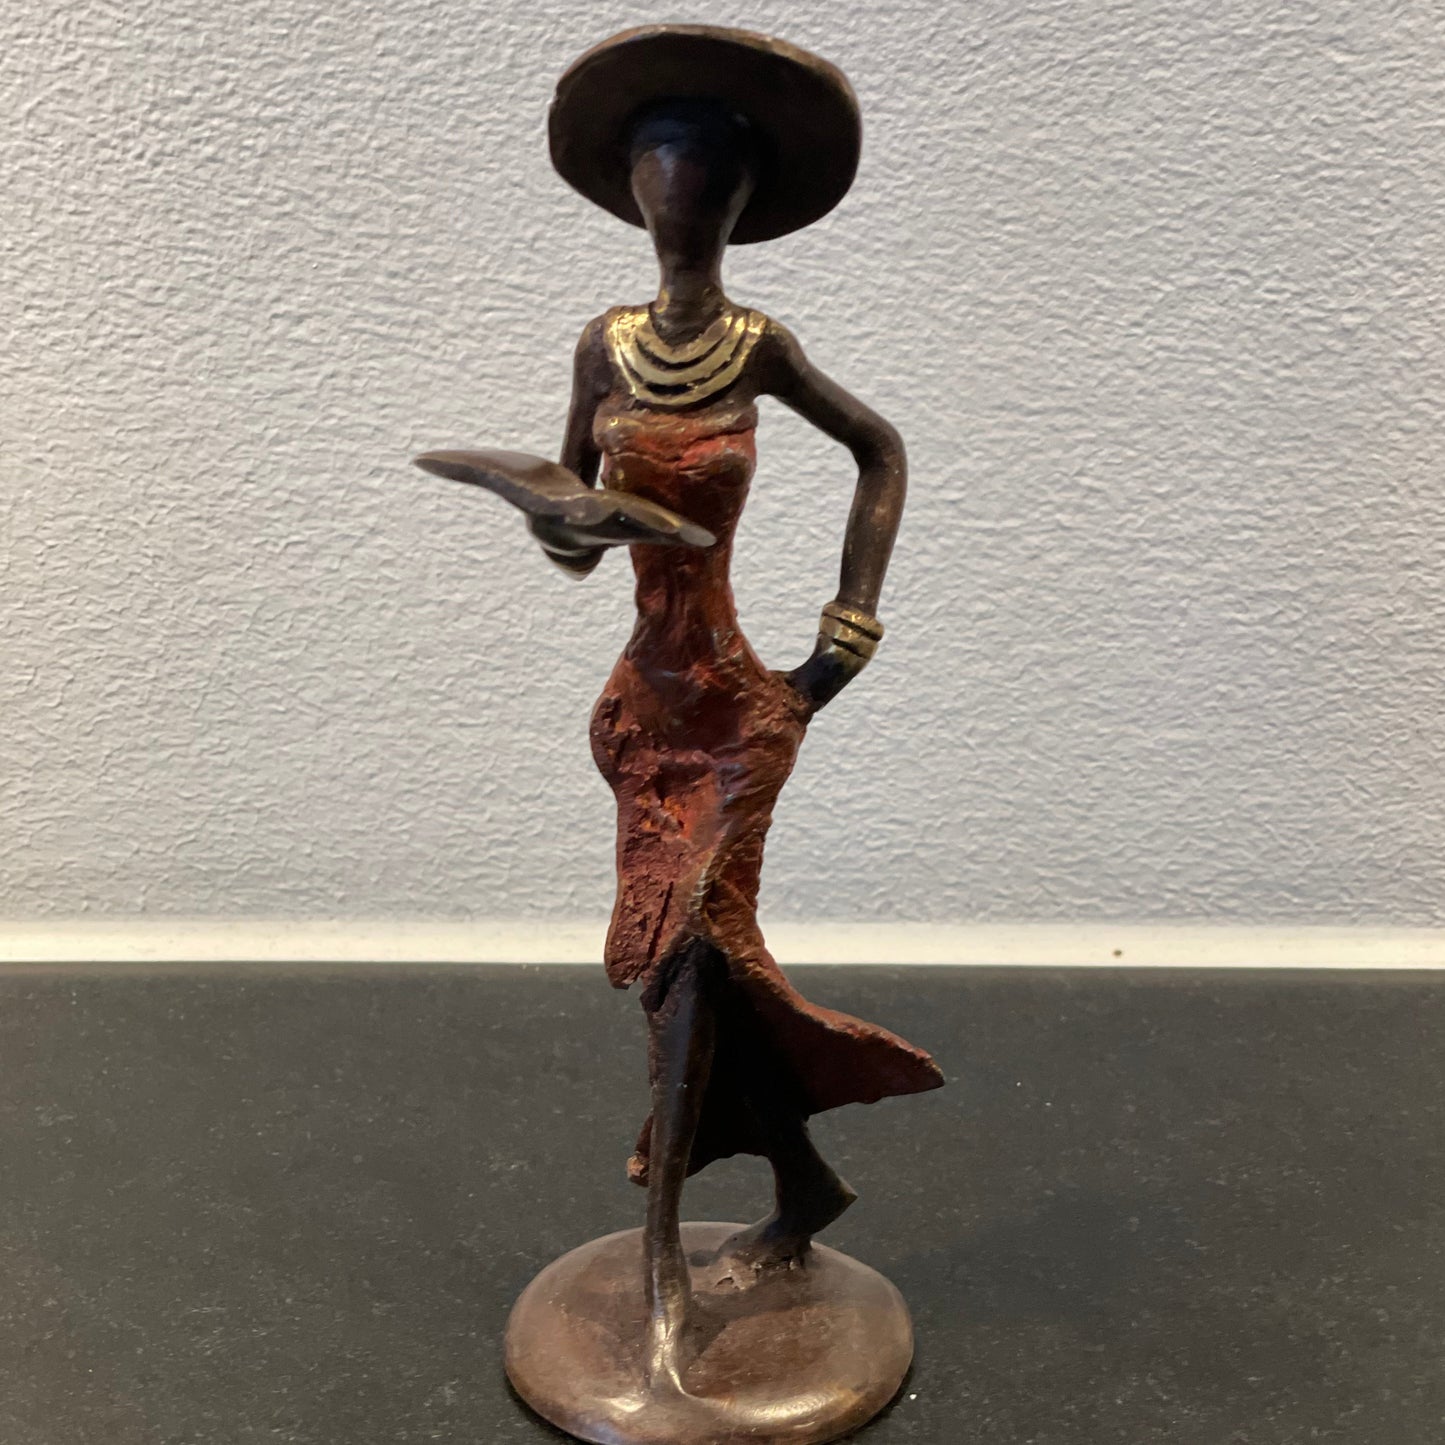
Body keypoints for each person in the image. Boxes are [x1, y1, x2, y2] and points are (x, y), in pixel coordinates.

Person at [531, 26, 945, 1395]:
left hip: (736, 710)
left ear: (737, 205)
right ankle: (801, 1183)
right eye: (661, 179)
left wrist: (844, 638)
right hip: (638, 709)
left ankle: (662, 1252)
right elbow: (569, 526)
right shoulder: (602, 344)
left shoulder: (762, 348)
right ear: (634, 196)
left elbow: (879, 449)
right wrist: (564, 519)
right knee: (682, 962)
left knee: (694, 955)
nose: (680, 205)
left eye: (704, 183)